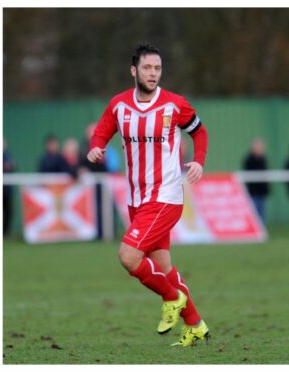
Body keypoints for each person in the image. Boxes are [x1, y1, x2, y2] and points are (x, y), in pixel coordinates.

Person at [87, 44, 210, 347]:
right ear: (134, 71)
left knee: (128, 256)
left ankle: (172, 298)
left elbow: (200, 132)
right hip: (136, 199)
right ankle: (195, 324)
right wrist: (96, 146)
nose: (153, 74)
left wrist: (198, 160)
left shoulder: (174, 105)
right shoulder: (119, 105)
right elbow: (102, 131)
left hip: (166, 196)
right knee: (164, 268)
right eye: (147, 68)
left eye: (157, 68)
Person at [243, 137, 269, 223]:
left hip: (262, 191)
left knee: (262, 211)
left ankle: (261, 230)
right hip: (253, 191)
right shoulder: (249, 159)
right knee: (255, 211)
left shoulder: (263, 159)